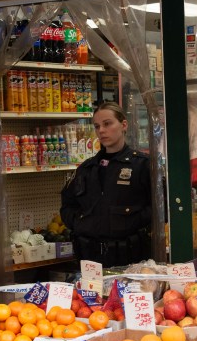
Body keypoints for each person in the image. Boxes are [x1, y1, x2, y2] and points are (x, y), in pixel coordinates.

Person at [60, 101, 152, 266]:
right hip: (90, 259)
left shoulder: (142, 165)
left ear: (124, 125)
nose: (101, 130)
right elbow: (67, 205)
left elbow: (160, 209)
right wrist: (81, 223)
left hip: (131, 259)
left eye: (107, 124)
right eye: (97, 126)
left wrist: (130, 222)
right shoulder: (86, 168)